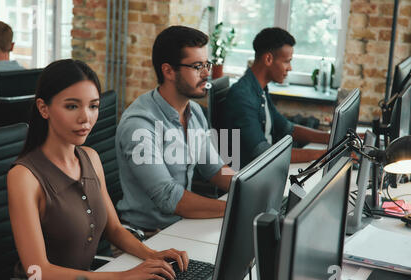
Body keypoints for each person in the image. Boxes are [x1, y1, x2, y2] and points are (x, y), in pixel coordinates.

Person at [6, 59, 188, 280]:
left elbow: (113, 229)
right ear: (44, 108)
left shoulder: (90, 157)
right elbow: (39, 273)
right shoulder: (24, 177)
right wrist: (125, 276)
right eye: (72, 107)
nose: (86, 118)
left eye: (93, 106)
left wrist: (151, 255)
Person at [116, 26, 234, 232]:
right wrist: (237, 207)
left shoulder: (194, 111)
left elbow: (214, 169)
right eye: (198, 66)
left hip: (180, 226)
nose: (207, 73)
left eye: (207, 64)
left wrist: (253, 189)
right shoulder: (139, 124)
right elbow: (169, 198)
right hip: (145, 236)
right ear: (169, 71)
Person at [222, 27, 329, 167]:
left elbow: (287, 128)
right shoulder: (242, 96)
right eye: (287, 61)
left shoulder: (259, 89)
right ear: (268, 59)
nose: (290, 68)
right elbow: (262, 153)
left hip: (265, 169)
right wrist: (323, 154)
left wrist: (332, 139)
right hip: (251, 175)